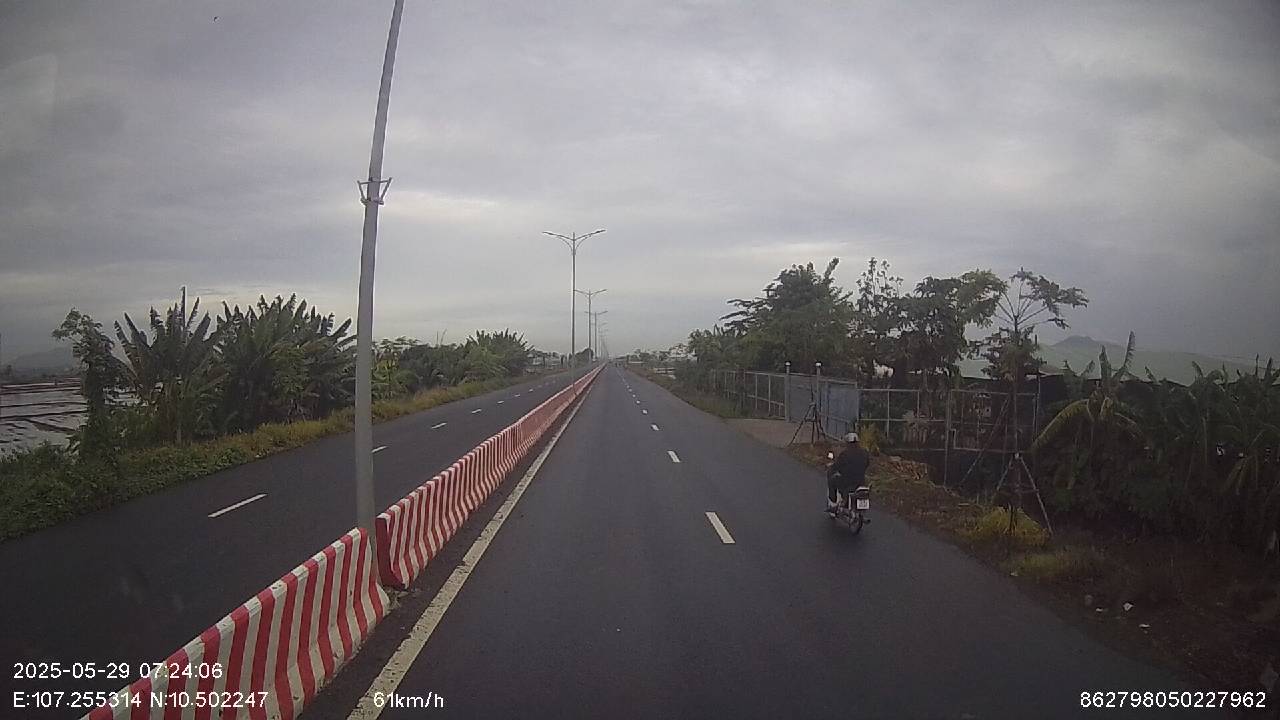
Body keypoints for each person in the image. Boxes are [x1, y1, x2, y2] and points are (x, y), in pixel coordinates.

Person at [827, 432, 869, 514]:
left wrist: (831, 468)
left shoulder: (845, 454)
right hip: (861, 482)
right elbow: (867, 464)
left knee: (832, 480)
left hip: (847, 482)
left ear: (848, 443)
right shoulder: (865, 453)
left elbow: (837, 466)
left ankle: (833, 503)